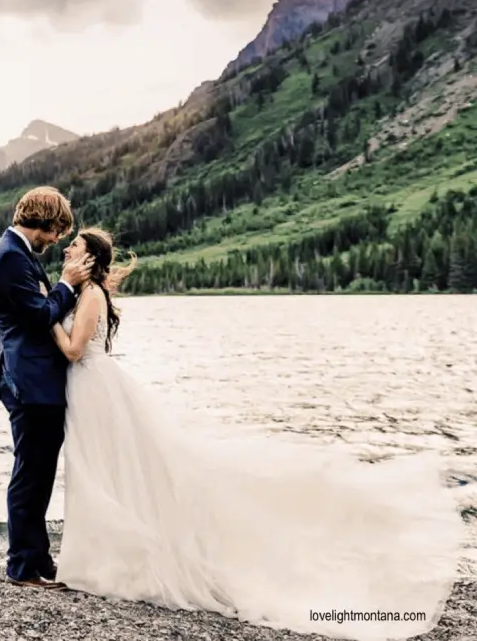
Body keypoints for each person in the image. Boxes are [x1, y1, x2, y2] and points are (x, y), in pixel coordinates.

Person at [50, 226, 462, 640]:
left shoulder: (91, 295)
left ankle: (107, 563)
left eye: (75, 245)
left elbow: (73, 350)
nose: (67, 249)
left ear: (90, 258)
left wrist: (46, 315)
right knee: (101, 470)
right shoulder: (85, 293)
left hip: (96, 388)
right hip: (90, 388)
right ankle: (100, 559)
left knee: (104, 468)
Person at [0, 186, 94, 587]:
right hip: (28, 382)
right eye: (57, 231)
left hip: (33, 379)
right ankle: (23, 566)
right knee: (31, 475)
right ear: (44, 223)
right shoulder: (11, 257)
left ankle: (39, 558)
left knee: (40, 472)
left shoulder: (18, 252)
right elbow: (40, 315)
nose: (56, 239)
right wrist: (66, 284)